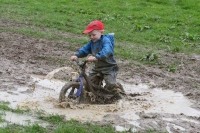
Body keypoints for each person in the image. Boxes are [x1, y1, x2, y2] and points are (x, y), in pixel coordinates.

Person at [70, 20, 124, 100]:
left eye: (93, 35)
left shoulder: (105, 40)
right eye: (90, 35)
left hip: (109, 67)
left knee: (110, 84)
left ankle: (119, 97)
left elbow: (107, 51)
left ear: (101, 33)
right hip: (97, 67)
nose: (91, 37)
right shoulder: (92, 42)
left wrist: (96, 57)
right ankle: (96, 96)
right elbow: (85, 49)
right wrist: (76, 55)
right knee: (89, 83)